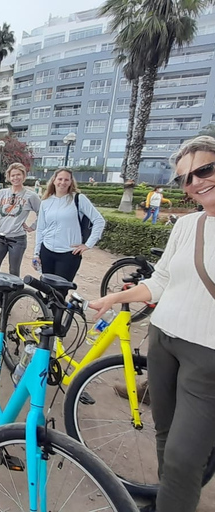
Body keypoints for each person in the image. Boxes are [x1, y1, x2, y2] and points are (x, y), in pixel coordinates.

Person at [88, 135, 215, 512]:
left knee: (182, 455)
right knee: (163, 434)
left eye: (204, 170)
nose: (194, 182)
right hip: (163, 339)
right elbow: (159, 282)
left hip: (207, 357)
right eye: (184, 178)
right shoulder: (188, 225)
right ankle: (169, 501)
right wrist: (114, 298)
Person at [0, 163, 41, 309]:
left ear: (23, 176)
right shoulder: (2, 194)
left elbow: (43, 214)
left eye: (18, 174)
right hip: (0, 237)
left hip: (17, 239)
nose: (15, 178)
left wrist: (32, 227)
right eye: (13, 175)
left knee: (13, 272)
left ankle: (8, 302)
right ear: (8, 177)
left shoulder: (30, 196)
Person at [32, 168, 105, 282]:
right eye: (60, 179)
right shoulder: (46, 202)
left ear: (71, 182)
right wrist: (36, 253)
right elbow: (41, 228)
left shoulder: (78, 199)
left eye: (66, 179)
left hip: (68, 254)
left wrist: (88, 244)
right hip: (47, 251)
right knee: (46, 289)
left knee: (60, 292)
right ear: (54, 181)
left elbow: (99, 220)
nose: (63, 182)